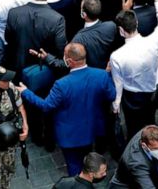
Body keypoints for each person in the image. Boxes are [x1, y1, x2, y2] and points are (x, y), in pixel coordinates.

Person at [18, 43, 117, 175]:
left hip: (70, 135)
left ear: (69, 61)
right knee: (86, 159)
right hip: (91, 129)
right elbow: (111, 95)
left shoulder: (62, 84)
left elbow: (46, 106)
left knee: (73, 165)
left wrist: (26, 92)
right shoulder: (102, 75)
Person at [110, 0, 158, 139]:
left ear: (121, 31)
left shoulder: (117, 56)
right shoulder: (154, 41)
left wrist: (116, 103)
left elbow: (118, 82)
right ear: (136, 24)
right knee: (150, 118)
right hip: (153, 89)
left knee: (133, 126)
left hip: (133, 96)